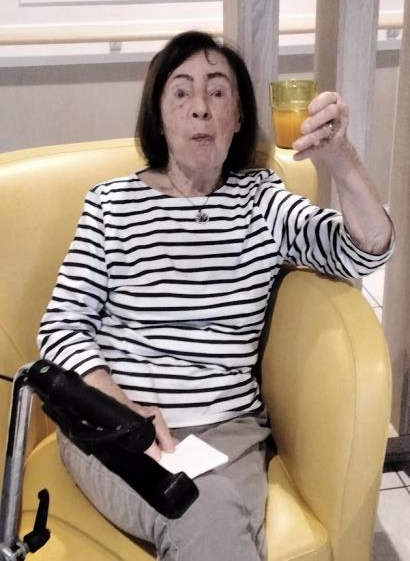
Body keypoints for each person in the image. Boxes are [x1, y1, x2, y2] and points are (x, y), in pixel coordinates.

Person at [37, 30, 393, 561]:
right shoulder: (111, 205)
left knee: (210, 510)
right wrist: (123, 408)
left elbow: (366, 250)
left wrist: (340, 157)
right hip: (113, 424)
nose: (200, 107)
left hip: (225, 429)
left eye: (218, 92)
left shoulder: (261, 200)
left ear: (239, 116)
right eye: (181, 92)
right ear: (159, 116)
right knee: (208, 513)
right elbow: (61, 326)